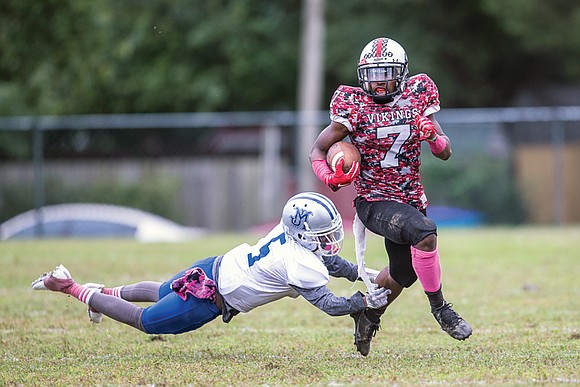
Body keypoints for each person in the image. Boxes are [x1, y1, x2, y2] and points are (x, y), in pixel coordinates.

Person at [32, 192, 390, 342]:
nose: (329, 241)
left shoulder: (289, 234)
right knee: (147, 322)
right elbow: (329, 305)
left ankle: (101, 291)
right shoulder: (299, 262)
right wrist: (363, 302)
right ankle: (76, 289)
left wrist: (359, 272)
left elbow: (329, 261)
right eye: (322, 234)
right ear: (304, 234)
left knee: (159, 291)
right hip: (210, 296)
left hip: (213, 265)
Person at [310, 37, 473, 356]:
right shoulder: (352, 104)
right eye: (373, 74)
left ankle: (367, 314)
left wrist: (433, 138)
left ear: (402, 73)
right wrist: (329, 176)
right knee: (425, 234)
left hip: (410, 198)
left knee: (402, 273)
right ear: (362, 76)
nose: (379, 81)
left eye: (386, 73)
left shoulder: (417, 95)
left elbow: (445, 151)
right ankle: (441, 309)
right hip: (374, 200)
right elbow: (318, 149)